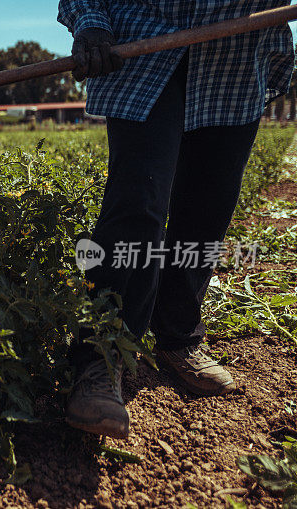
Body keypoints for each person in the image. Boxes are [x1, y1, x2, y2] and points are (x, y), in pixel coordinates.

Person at [58, 0, 294, 439]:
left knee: (209, 203)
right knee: (138, 198)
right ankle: (101, 356)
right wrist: (90, 21)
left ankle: (178, 336)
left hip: (237, 51)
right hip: (143, 44)